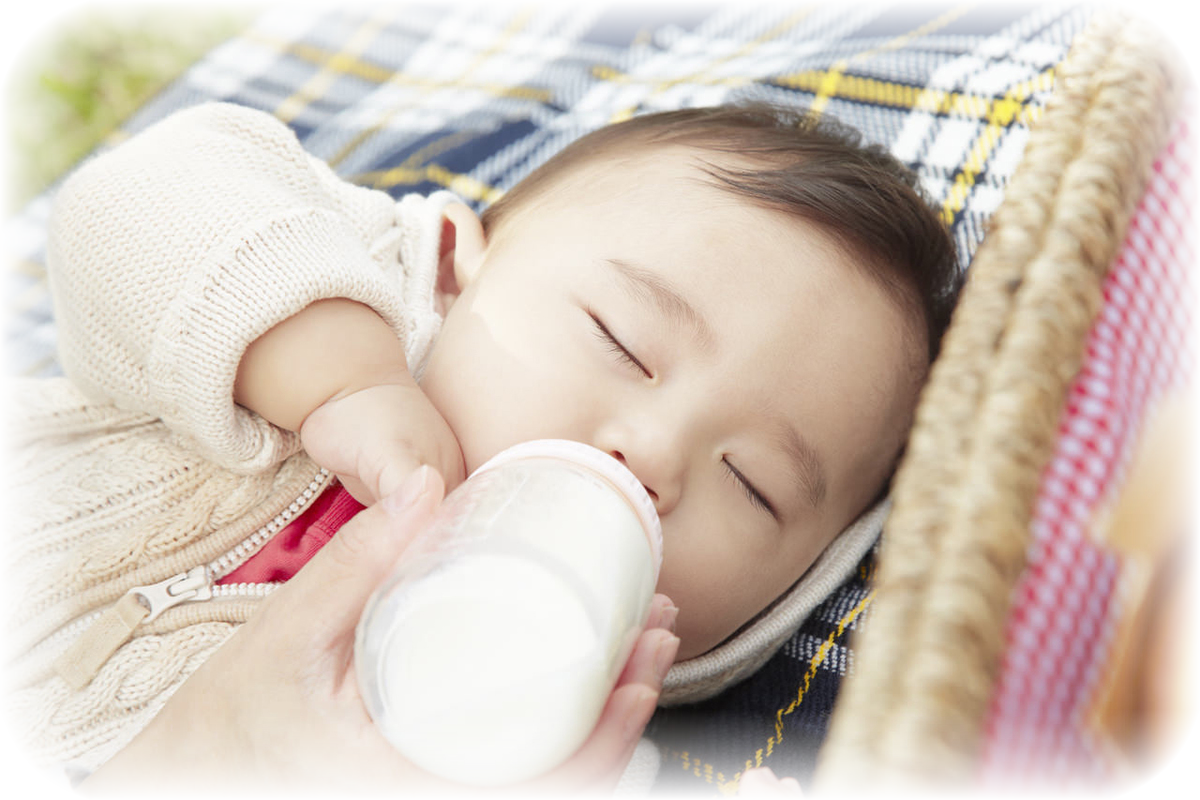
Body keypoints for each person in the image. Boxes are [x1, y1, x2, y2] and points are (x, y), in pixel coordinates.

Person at [1, 98, 958, 799]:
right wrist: (336, 374)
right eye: (622, 341)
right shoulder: (341, 300)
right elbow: (148, 192)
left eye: (755, 486)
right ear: (456, 270)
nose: (653, 456)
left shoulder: (562, 754)